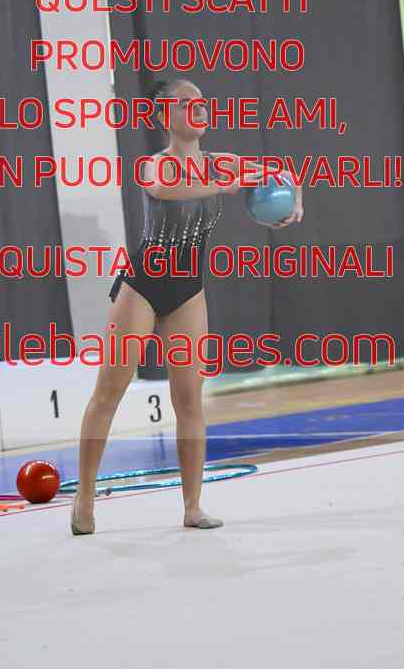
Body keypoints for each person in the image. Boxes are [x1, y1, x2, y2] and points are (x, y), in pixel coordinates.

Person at [71, 78, 304, 535]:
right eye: (186, 103)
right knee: (109, 391)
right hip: (143, 285)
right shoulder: (153, 164)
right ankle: (84, 496)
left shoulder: (221, 163)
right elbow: (167, 190)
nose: (198, 109)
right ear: (165, 115)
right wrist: (225, 184)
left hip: (187, 289)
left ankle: (193, 506)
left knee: (189, 398)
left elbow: (283, 174)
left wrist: (291, 202)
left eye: (202, 103)